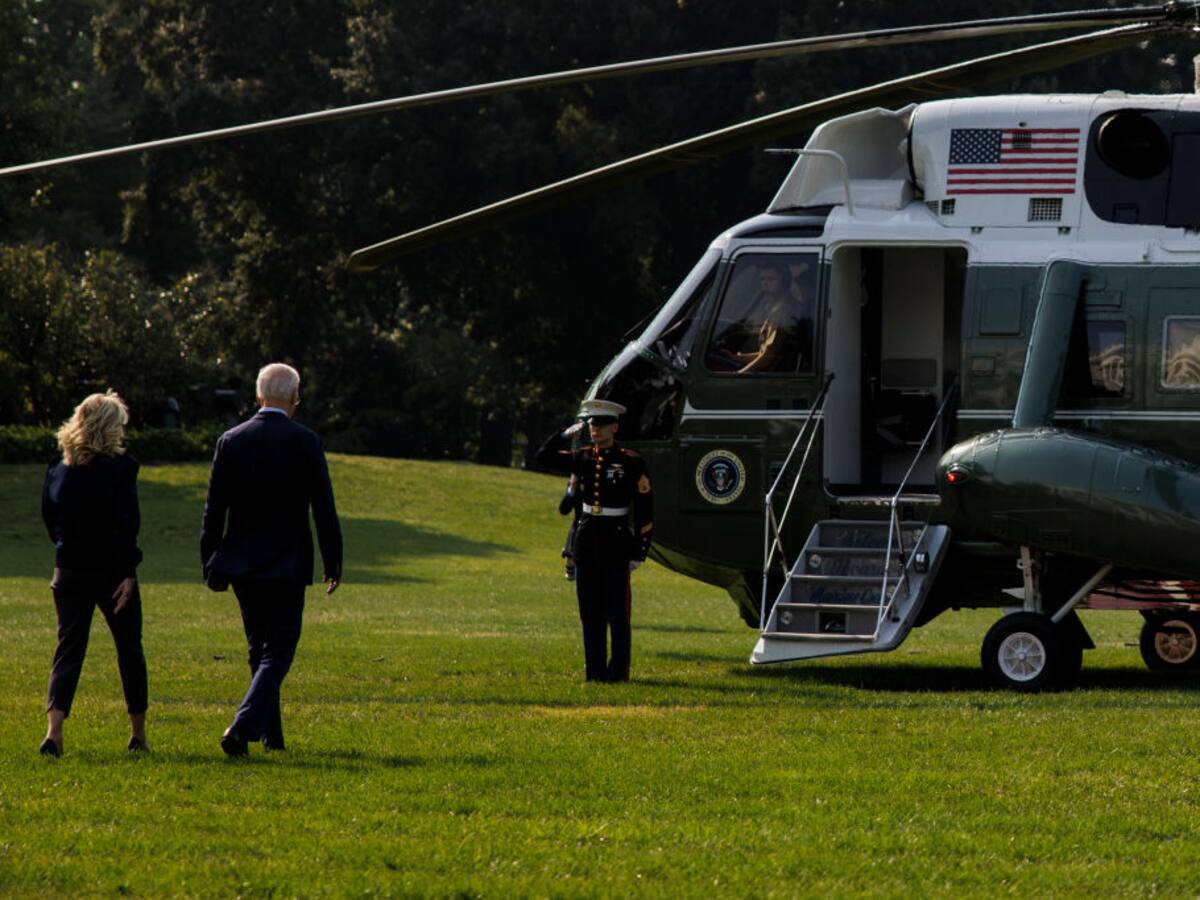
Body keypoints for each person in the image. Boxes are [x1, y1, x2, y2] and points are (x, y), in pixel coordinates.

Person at [200, 362, 342, 756]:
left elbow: (214, 509)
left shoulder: (231, 440)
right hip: (287, 561)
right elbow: (323, 508)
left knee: (257, 648)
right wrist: (333, 562)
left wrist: (209, 559)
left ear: (258, 395)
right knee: (278, 651)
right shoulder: (306, 441)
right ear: (295, 398)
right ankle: (243, 727)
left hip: (242, 561)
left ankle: (271, 738)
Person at [40, 390, 148, 756]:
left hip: (68, 569)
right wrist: (128, 571)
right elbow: (126, 525)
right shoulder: (122, 469)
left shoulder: (58, 469)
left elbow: (50, 518)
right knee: (129, 649)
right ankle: (137, 733)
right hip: (112, 573)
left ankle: (54, 730)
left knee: (68, 649)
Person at [536, 399, 653, 682]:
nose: (595, 430)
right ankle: (595, 673)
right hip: (587, 541)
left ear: (615, 426)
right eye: (591, 424)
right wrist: (565, 433)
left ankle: (618, 673)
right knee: (590, 614)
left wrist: (640, 549)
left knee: (618, 615)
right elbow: (544, 457)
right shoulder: (583, 456)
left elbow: (645, 507)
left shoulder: (630, 461)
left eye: (600, 425)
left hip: (616, 541)